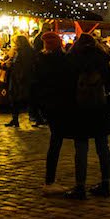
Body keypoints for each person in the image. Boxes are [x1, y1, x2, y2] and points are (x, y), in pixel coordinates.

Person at [64, 33, 110, 199]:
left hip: (80, 107)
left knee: (81, 148)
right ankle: (106, 183)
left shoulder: (73, 58)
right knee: (103, 146)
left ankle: (80, 186)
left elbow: (68, 83)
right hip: (99, 105)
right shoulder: (101, 58)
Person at [31, 31, 74, 195]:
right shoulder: (62, 60)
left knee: (56, 140)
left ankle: (50, 180)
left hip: (47, 105)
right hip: (59, 104)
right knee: (56, 142)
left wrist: (37, 106)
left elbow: (35, 84)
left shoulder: (39, 60)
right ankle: (49, 181)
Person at [4, 34, 36, 127]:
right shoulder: (29, 51)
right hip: (25, 78)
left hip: (18, 78)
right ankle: (35, 118)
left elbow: (19, 65)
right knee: (29, 98)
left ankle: (15, 119)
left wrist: (10, 64)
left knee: (15, 98)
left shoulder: (21, 52)